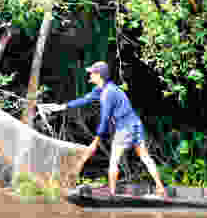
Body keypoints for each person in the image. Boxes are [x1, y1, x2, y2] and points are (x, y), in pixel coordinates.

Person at [39, 61, 167, 198]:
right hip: (135, 123)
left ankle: (112, 195)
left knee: (114, 159)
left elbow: (105, 119)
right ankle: (160, 188)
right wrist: (63, 107)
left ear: (99, 75)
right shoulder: (103, 89)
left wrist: (96, 140)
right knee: (145, 157)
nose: (90, 74)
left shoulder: (107, 94)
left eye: (92, 73)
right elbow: (85, 99)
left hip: (125, 127)